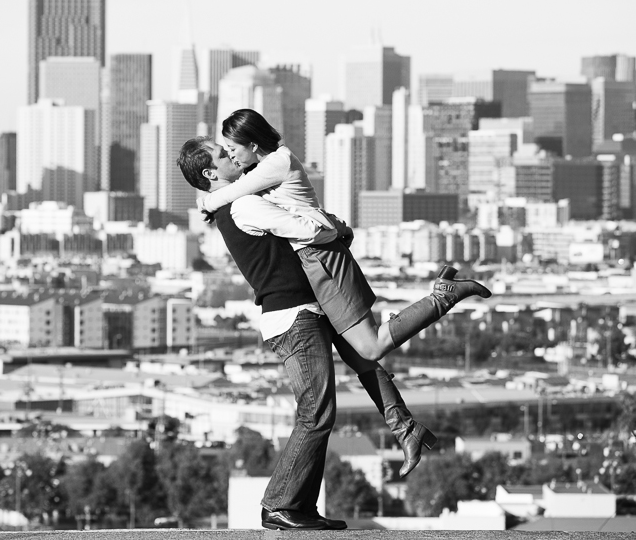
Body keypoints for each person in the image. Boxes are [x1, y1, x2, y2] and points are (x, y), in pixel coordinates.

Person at [197, 110, 491, 467]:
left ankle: (444, 294)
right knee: (361, 358)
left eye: (231, 148)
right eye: (224, 151)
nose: (230, 155)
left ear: (253, 145)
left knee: (372, 345)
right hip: (315, 263)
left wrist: (208, 202)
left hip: (322, 258)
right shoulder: (262, 170)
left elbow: (239, 197)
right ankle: (406, 428)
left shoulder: (274, 163)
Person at [178, 136, 346, 530]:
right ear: (210, 172)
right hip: (294, 315)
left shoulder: (233, 203)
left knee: (320, 413)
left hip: (293, 315)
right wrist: (335, 229)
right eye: (224, 154)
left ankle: (300, 507)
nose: (233, 154)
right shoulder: (243, 203)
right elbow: (305, 229)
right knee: (316, 413)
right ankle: (280, 504)